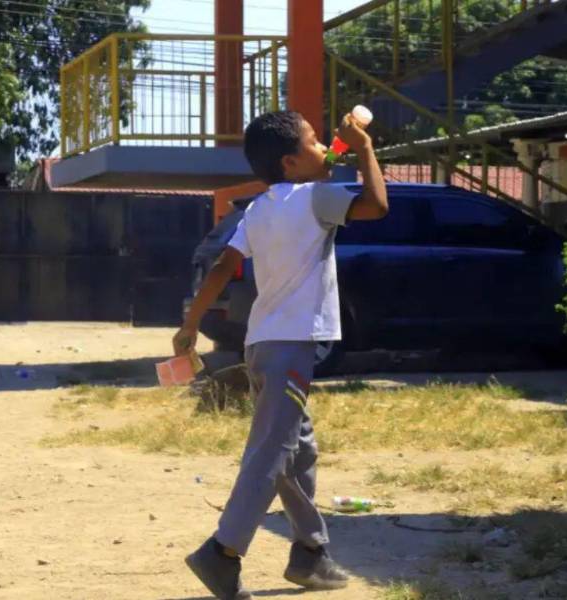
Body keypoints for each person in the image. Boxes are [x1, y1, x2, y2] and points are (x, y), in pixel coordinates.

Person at [173, 110, 389, 599]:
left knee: (298, 448)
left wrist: (189, 325)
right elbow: (377, 205)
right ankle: (222, 553)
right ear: (291, 162)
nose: (324, 148)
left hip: (261, 344)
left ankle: (311, 553)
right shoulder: (317, 197)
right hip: (291, 345)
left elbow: (223, 268)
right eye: (316, 142)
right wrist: (366, 149)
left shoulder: (260, 207)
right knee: (272, 449)